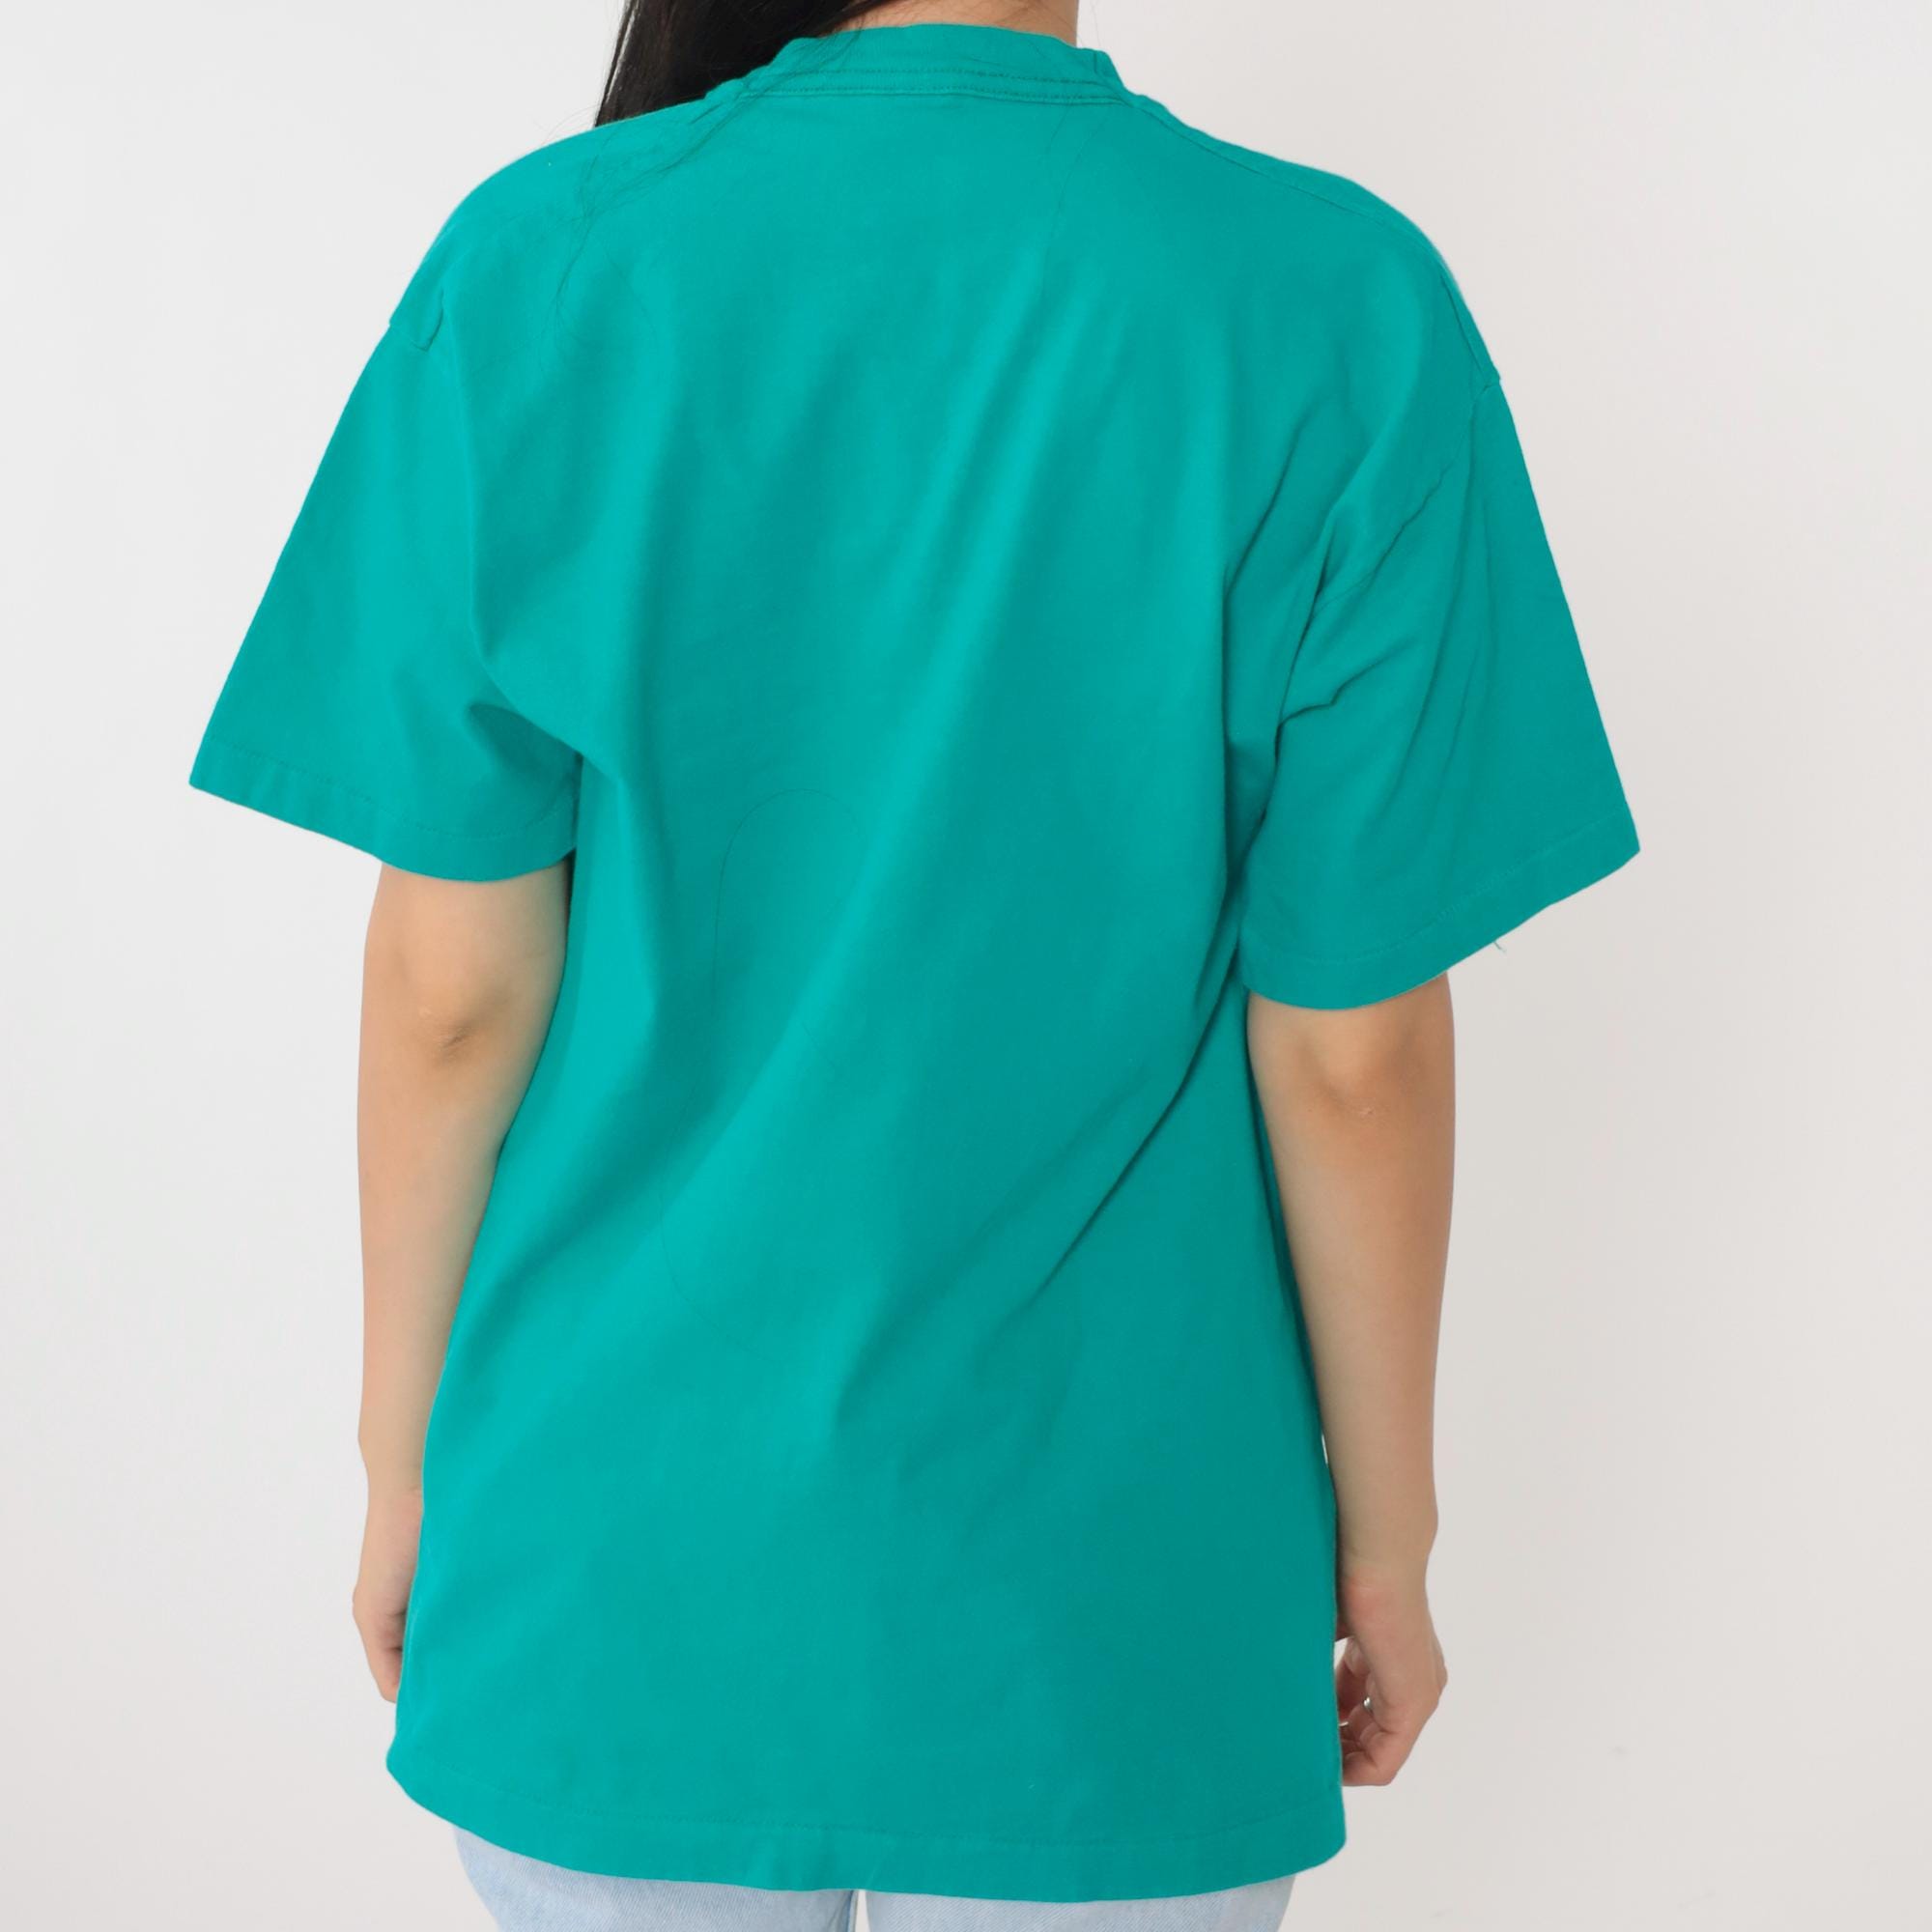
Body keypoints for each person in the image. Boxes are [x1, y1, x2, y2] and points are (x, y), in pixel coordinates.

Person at [189, 0, 1637, 1925]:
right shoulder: (1341, 304)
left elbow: (452, 997)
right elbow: (1350, 1055)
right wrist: (1388, 1539)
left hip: (616, 1565)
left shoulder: (546, 262)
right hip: (1115, 1607)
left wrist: (403, 1470)